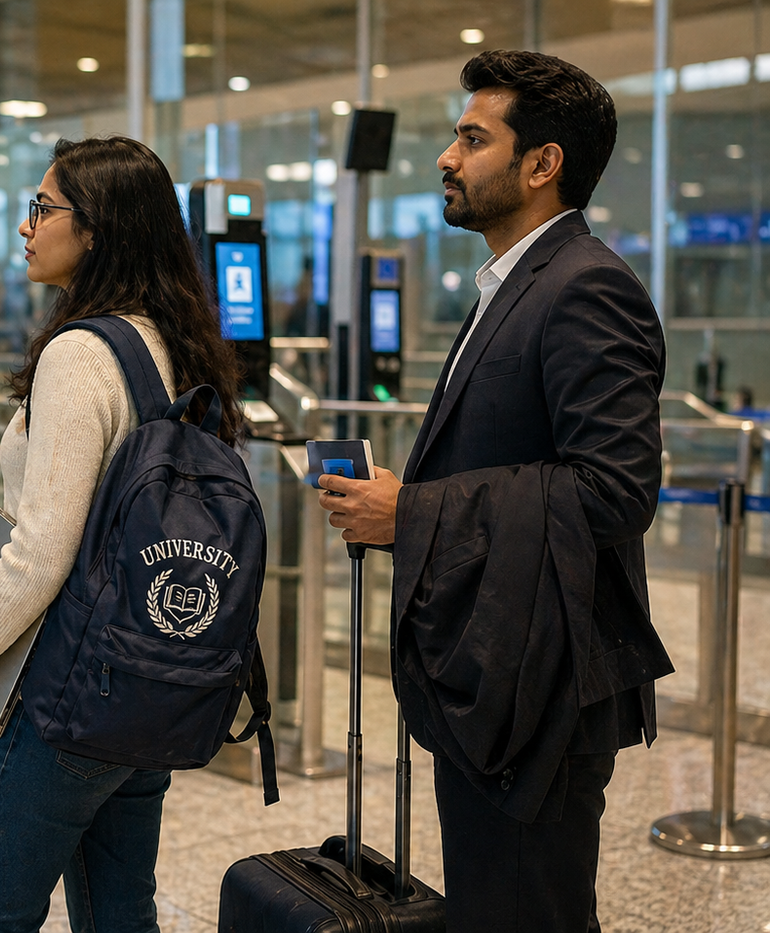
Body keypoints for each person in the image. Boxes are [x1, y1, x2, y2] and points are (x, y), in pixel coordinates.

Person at [316, 50, 672, 933]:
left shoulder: (586, 286)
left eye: (473, 138)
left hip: (542, 683)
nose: (446, 156)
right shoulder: (512, 285)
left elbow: (616, 489)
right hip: (497, 672)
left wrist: (415, 511)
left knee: (527, 911)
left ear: (542, 164)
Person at [0, 136, 246, 933]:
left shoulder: (80, 351)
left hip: (62, 690)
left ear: (96, 228)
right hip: (145, 681)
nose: (26, 227)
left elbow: (42, 551)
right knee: (117, 910)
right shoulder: (173, 341)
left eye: (43, 208)